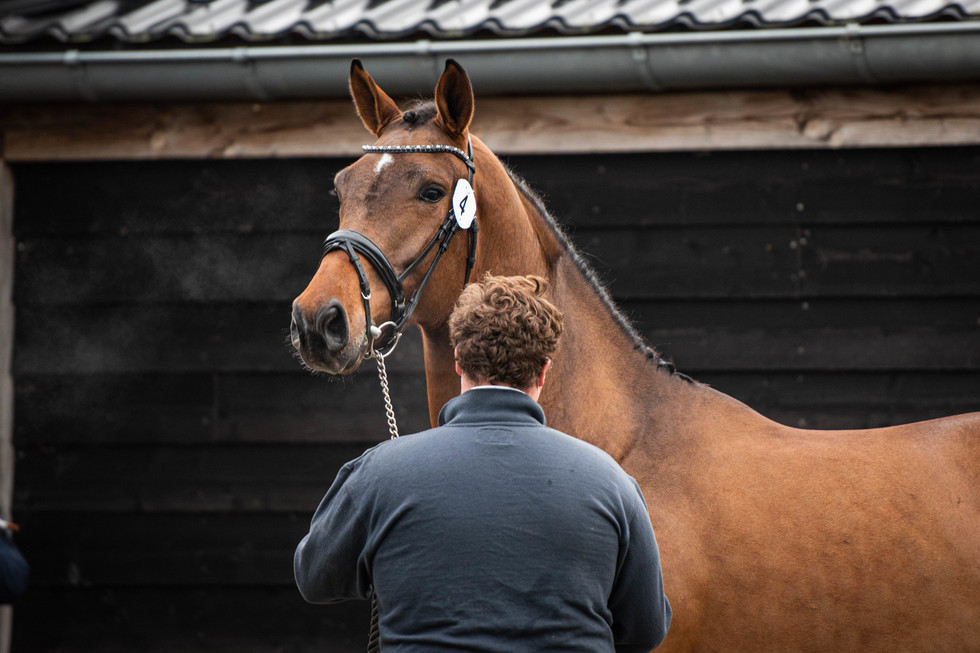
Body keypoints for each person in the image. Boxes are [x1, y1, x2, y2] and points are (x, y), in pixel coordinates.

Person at [295, 275, 671, 652]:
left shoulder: (379, 473)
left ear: (458, 360)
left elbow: (314, 577)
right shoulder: (614, 485)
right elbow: (647, 629)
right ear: (544, 370)